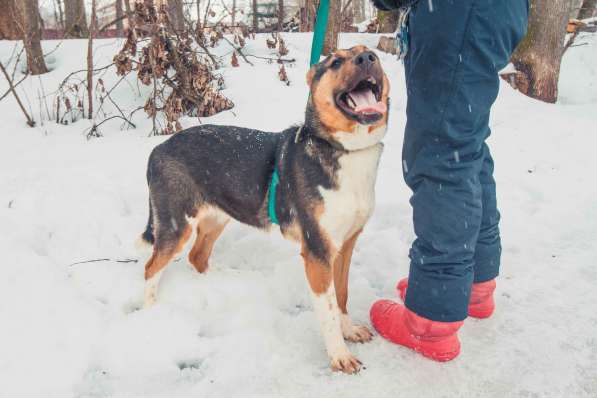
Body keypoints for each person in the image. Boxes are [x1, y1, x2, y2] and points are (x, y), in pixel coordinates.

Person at [369, 0, 529, 361]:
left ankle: (430, 319)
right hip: (495, 11)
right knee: (463, 144)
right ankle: (474, 282)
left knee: (441, 153)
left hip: (458, 12)